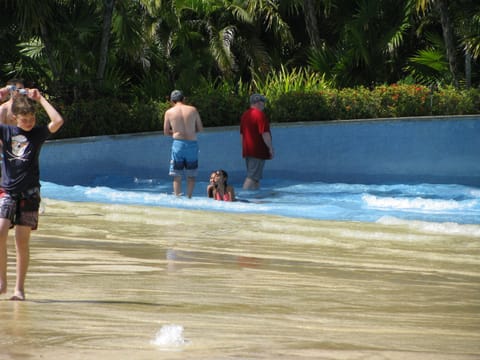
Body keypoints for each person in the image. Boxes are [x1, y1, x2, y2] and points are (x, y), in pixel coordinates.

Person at [0, 86, 64, 301]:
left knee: (21, 241)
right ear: (14, 117)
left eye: (31, 117)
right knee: (0, 232)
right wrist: (1, 97)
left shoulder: (37, 134)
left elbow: (57, 121)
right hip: (7, 191)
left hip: (30, 194)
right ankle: (2, 282)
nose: (28, 121)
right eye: (24, 118)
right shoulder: (6, 131)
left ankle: (19, 289)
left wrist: (41, 98)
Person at [163, 90, 203, 198]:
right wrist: (190, 132)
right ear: (183, 99)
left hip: (178, 145)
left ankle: (178, 198)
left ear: (172, 101)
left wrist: (176, 132)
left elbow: (166, 132)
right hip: (192, 144)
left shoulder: (169, 112)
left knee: (177, 175)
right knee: (191, 175)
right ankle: (189, 197)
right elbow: (200, 128)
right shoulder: (193, 110)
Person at [240, 93, 274, 190]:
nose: (263, 105)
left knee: (256, 178)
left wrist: (244, 148)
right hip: (257, 151)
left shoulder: (245, 115)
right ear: (258, 103)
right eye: (263, 103)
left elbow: (242, 134)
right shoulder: (260, 115)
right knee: (252, 177)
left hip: (248, 150)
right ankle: (243, 196)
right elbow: (265, 133)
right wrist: (270, 148)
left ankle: (256, 198)